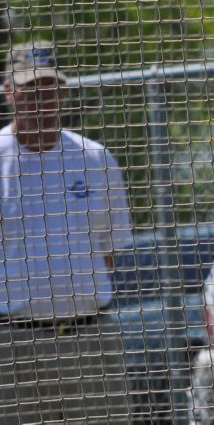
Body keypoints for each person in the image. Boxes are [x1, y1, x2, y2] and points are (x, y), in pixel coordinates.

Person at [0, 41, 134, 423]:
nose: (43, 99)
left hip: (89, 337)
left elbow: (109, 250)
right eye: (31, 88)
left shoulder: (95, 158)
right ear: (9, 91)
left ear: (64, 92)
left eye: (51, 88)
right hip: (13, 343)